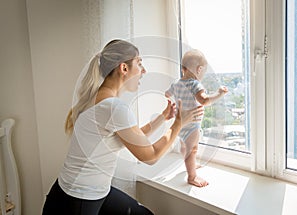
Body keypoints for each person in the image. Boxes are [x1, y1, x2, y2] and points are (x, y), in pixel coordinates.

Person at [42, 39, 204, 215]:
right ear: (124, 68)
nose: (144, 71)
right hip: (77, 199)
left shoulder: (99, 98)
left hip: (87, 191)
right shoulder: (113, 107)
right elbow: (150, 156)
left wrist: (162, 118)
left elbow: (132, 137)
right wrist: (179, 124)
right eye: (139, 63)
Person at [165, 49, 228, 188]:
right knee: (192, 150)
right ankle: (192, 176)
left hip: (180, 123)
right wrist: (219, 94)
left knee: (184, 147)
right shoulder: (195, 84)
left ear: (183, 69)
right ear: (199, 69)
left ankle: (190, 165)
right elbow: (204, 100)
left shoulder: (176, 83)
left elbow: (166, 94)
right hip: (192, 124)